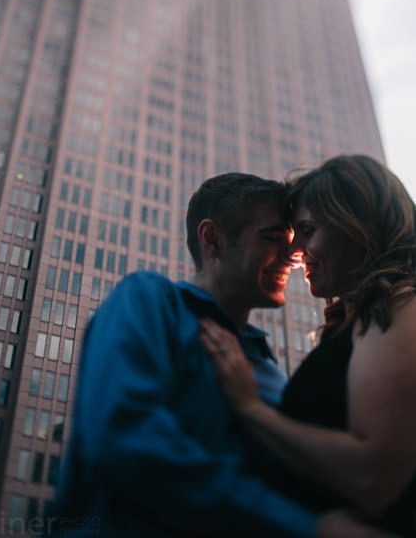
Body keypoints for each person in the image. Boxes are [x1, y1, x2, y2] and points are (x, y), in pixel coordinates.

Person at [55, 172, 382, 537]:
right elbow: (125, 441)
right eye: (273, 238)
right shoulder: (149, 301)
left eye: (293, 241)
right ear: (212, 240)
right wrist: (307, 528)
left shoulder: (266, 363)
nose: (293, 256)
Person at [201, 155, 416, 535]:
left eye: (307, 230)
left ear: (358, 226)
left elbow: (372, 479)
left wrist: (251, 409)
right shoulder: (351, 325)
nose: (294, 251)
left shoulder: (401, 306)